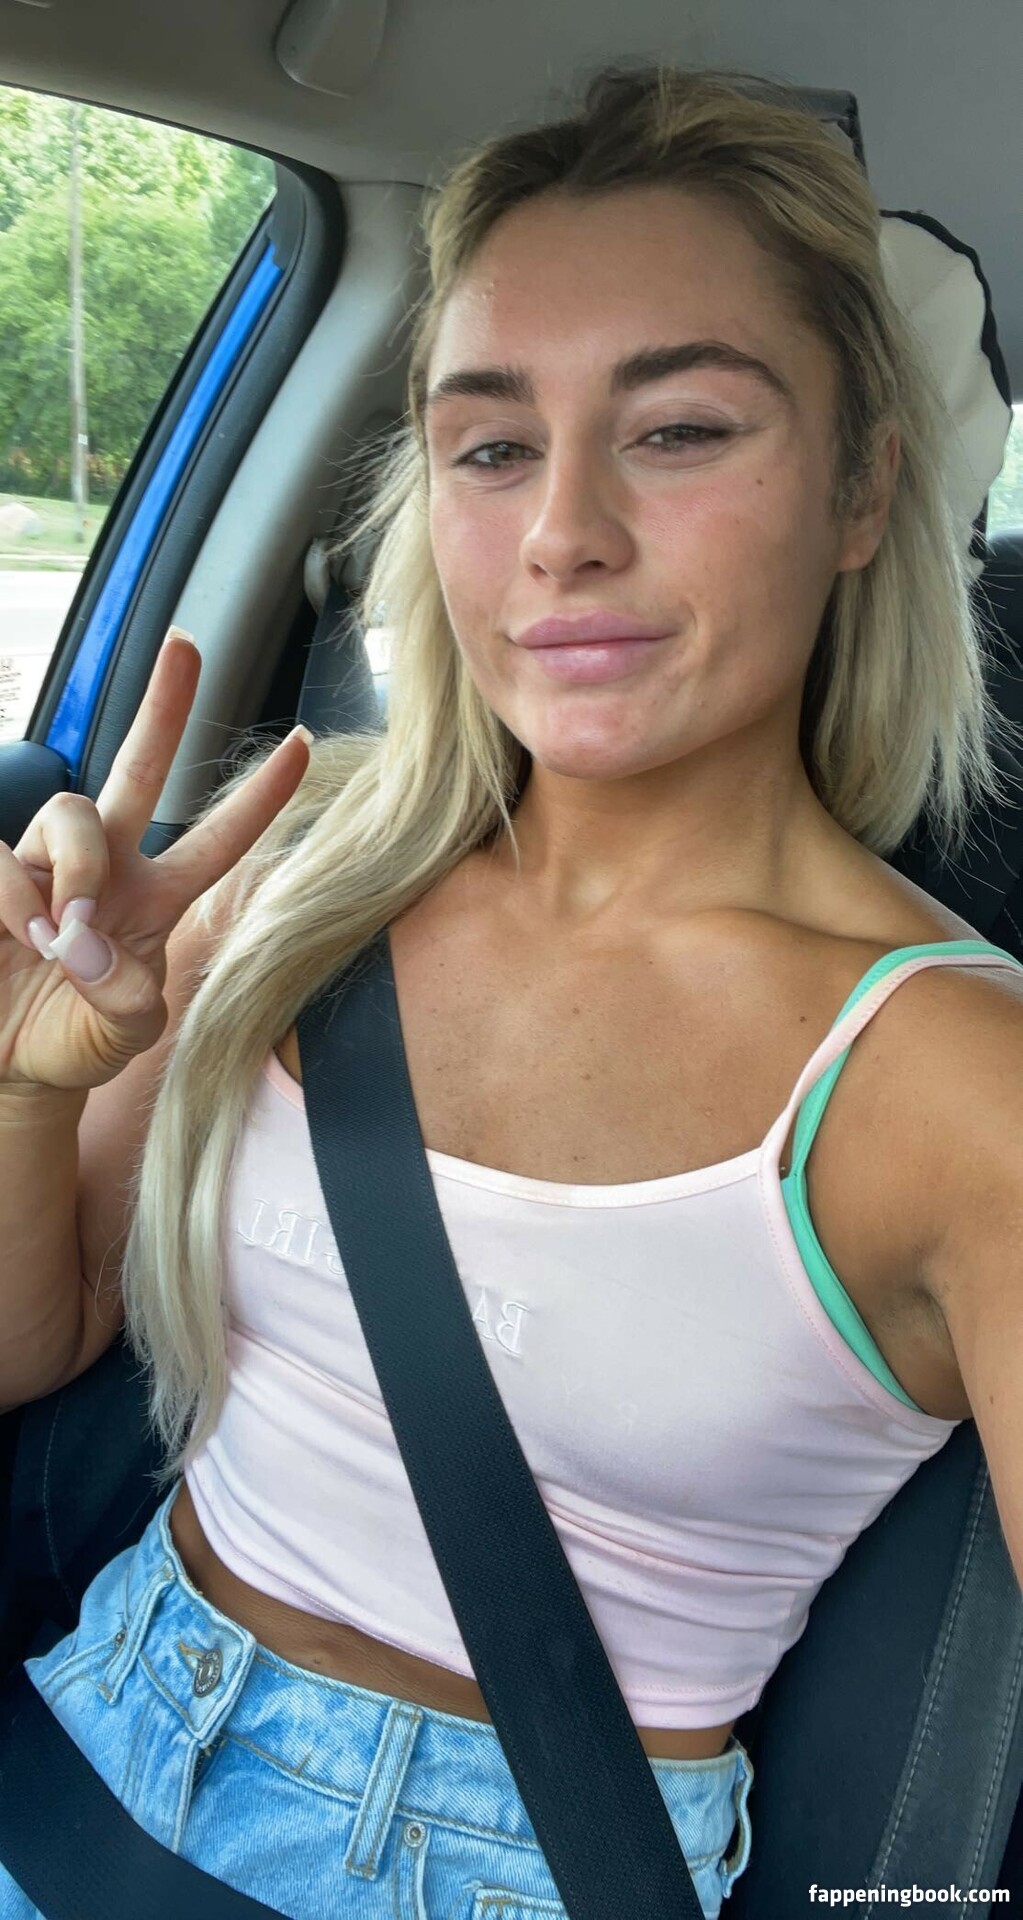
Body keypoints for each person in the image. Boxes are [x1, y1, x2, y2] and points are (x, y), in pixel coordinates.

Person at [2, 63, 1022, 1920]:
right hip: (82, 1722)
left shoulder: (956, 1081)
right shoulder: (298, 880)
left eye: (681, 429)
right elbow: (32, 1342)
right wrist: (27, 1088)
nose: (563, 531)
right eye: (488, 447)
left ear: (864, 488)